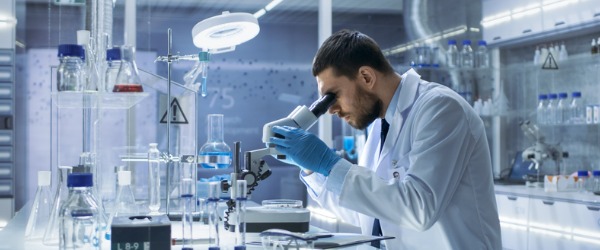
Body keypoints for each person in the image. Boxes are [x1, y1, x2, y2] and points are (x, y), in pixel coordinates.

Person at [269, 29, 501, 249]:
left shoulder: (440, 108)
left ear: (366, 77)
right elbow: (368, 210)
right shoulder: (381, 124)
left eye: (333, 96)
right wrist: (312, 170)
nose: (331, 109)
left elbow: (419, 209)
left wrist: (328, 163)